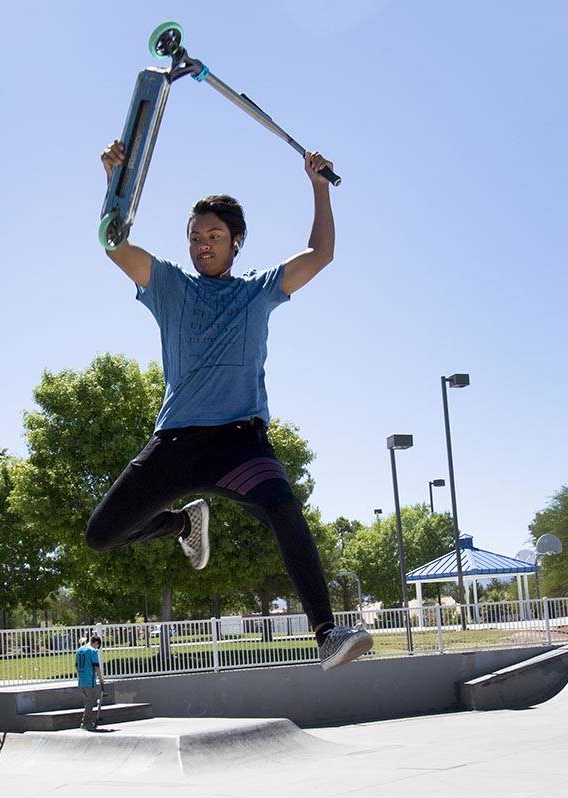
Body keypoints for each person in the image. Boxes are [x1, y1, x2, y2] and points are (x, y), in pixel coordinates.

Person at [88, 140, 372, 672]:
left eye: (214, 236)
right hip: (175, 443)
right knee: (101, 534)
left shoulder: (258, 290)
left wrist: (317, 187)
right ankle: (181, 525)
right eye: (195, 237)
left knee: (284, 509)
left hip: (239, 442)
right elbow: (114, 245)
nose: (202, 245)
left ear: (237, 242)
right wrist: (115, 185)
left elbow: (321, 254)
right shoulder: (169, 286)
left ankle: (327, 632)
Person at [76, 634, 104, 730]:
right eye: (97, 646)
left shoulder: (79, 650)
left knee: (88, 701)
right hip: (90, 681)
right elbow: (96, 667)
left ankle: (87, 722)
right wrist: (101, 680)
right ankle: (85, 722)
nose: (97, 648)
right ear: (96, 643)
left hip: (81, 681)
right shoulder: (92, 651)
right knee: (90, 702)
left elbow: (76, 666)